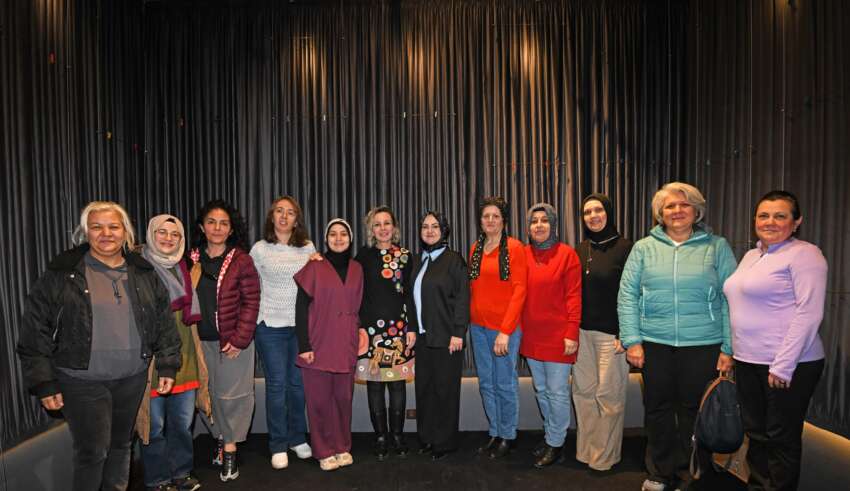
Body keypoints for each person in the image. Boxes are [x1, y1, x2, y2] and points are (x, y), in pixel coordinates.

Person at [17, 201, 181, 491]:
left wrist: (168, 363)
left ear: (125, 232)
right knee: (93, 453)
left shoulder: (143, 271)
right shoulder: (62, 273)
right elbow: (35, 329)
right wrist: (44, 382)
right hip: (81, 381)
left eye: (113, 226)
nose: (106, 233)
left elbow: (163, 321)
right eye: (97, 227)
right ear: (85, 232)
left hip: (132, 378)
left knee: (121, 446)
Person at [618, 182, 737, 491]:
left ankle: (691, 472)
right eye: (670, 206)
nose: (677, 210)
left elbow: (732, 299)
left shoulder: (717, 247)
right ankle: (659, 471)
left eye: (685, 205)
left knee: (694, 411)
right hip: (654, 344)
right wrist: (632, 340)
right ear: (660, 213)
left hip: (703, 344)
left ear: (697, 211)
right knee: (657, 410)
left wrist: (729, 347)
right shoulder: (643, 248)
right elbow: (627, 295)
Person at [723, 190, 827, 491]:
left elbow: (809, 312)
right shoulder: (751, 255)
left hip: (788, 364)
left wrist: (783, 365)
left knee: (781, 438)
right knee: (755, 434)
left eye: (780, 216)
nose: (770, 222)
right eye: (763, 215)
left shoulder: (806, 254)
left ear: (796, 222)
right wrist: (731, 352)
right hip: (747, 360)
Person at [189, 199, 260, 482]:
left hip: (233, 343)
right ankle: (220, 438)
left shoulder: (242, 260)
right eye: (211, 222)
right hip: (199, 342)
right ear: (202, 227)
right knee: (207, 394)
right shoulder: (191, 260)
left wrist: (240, 339)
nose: (217, 228)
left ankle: (230, 449)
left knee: (232, 398)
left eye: (223, 223)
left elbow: (252, 301)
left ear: (231, 229)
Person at [135, 215, 206, 491]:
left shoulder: (185, 267)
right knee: (154, 426)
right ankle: (158, 480)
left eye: (175, 234)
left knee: (181, 424)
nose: (168, 238)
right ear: (151, 234)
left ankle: (181, 473)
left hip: (185, 355)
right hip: (153, 360)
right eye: (162, 232)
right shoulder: (138, 269)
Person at [294, 218, 364, 471]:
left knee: (343, 399)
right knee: (319, 402)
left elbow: (361, 306)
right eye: (332, 234)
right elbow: (301, 308)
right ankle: (323, 450)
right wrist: (304, 345)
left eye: (343, 234)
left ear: (350, 238)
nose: (338, 238)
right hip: (318, 342)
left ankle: (342, 446)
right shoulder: (314, 266)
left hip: (346, 342)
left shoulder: (357, 268)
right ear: (326, 239)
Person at [250, 196, 314, 470]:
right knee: (276, 386)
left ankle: (297, 438)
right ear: (272, 216)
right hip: (269, 327)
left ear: (297, 220)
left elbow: (315, 284)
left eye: (290, 212)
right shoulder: (259, 249)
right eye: (279, 211)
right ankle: (278, 443)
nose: (284, 216)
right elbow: (250, 287)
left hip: (300, 328)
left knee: (298, 386)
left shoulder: (308, 248)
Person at [572, 194, 633, 472]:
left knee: (609, 398)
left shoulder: (626, 248)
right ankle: (586, 452)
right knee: (583, 394)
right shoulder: (580, 249)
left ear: (608, 212)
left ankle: (604, 457)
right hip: (582, 334)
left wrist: (626, 333)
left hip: (613, 336)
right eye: (587, 212)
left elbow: (633, 294)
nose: (593, 216)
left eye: (598, 210)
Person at [520, 203, 582, 468]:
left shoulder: (567, 255)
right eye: (534, 221)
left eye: (544, 220)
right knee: (541, 390)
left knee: (556, 392)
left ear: (553, 224)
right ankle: (550, 436)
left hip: (559, 337)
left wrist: (572, 332)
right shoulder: (523, 254)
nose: (539, 225)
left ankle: (557, 443)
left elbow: (574, 296)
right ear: (528, 227)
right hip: (531, 335)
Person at [354, 206, 416, 460]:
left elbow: (410, 295)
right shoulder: (362, 257)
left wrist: (412, 327)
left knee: (398, 384)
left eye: (386, 223)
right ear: (371, 229)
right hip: (370, 333)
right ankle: (380, 436)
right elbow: (355, 292)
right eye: (377, 224)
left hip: (398, 330)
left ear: (394, 227)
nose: (382, 228)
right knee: (375, 386)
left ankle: (398, 436)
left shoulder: (405, 256)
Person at [407, 210, 470, 460]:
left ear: (444, 231)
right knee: (425, 390)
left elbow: (463, 298)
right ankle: (426, 438)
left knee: (445, 391)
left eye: (435, 226)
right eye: (425, 227)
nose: (429, 231)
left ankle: (444, 442)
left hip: (447, 338)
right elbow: (410, 300)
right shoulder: (417, 260)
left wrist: (458, 332)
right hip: (423, 338)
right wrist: (412, 329)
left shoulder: (454, 260)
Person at [468, 196, 528, 459]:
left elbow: (520, 290)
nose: (490, 220)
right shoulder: (476, 248)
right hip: (478, 328)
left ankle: (509, 435)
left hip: (504, 329)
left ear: (504, 220)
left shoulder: (515, 248)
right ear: (480, 221)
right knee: (486, 383)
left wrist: (506, 331)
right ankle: (495, 431)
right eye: (486, 216)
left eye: (495, 216)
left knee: (504, 383)